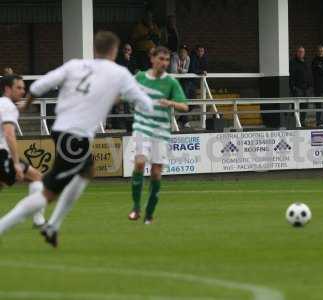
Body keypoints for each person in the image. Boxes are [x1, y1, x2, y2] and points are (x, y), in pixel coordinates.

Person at [0, 31, 153, 247]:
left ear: (95, 49)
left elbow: (37, 86)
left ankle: (53, 226)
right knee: (48, 192)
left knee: (88, 170)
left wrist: (26, 104)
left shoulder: (75, 65)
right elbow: (144, 104)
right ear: (114, 51)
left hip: (61, 131)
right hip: (75, 137)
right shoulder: (119, 73)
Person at [128, 46, 188, 224]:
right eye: (161, 59)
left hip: (161, 131)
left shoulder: (171, 82)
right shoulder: (139, 78)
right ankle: (136, 207)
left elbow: (184, 106)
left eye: (167, 60)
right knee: (139, 163)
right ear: (152, 59)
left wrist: (170, 103)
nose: (164, 63)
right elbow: (125, 92)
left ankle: (149, 213)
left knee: (156, 173)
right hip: (142, 127)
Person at [0, 75, 45, 227]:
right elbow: (9, 134)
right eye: (18, 88)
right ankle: (38, 220)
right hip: (2, 154)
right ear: (7, 89)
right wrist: (16, 163)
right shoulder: (8, 107)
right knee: (37, 177)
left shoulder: (3, 104)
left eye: (24, 88)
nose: (23, 92)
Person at [289, 46, 313, 126]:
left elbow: (310, 74)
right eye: (299, 51)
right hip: (297, 88)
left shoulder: (307, 62)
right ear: (297, 52)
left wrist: (310, 86)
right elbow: (291, 75)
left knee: (304, 106)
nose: (301, 53)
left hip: (307, 88)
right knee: (295, 107)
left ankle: (302, 122)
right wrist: (293, 87)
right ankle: (295, 123)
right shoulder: (292, 62)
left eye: (302, 52)